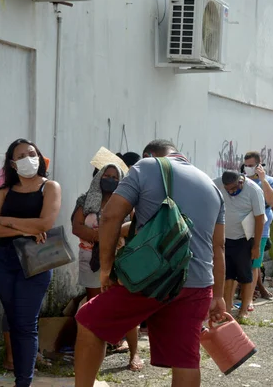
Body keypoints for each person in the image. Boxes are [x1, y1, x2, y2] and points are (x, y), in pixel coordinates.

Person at [74, 140, 226, 387]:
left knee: (89, 321)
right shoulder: (211, 185)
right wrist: (218, 295)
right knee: (186, 359)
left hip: (153, 278)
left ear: (149, 155)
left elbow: (111, 215)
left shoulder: (147, 167)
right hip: (198, 284)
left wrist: (106, 269)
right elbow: (218, 246)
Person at [0, 139, 62, 387]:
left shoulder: (50, 187)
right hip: (4, 260)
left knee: (26, 324)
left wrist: (7, 220)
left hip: (36, 260)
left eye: (32, 153)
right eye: (22, 155)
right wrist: (26, 229)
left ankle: (23, 382)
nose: (29, 158)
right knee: (14, 319)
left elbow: (44, 224)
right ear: (12, 164)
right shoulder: (3, 192)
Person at [71, 164, 142, 370]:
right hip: (90, 261)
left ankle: (134, 354)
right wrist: (105, 235)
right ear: (98, 177)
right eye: (106, 176)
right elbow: (77, 227)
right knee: (95, 305)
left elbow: (135, 228)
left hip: (120, 260)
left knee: (126, 306)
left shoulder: (127, 203)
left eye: (114, 177)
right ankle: (95, 352)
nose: (110, 179)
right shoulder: (85, 201)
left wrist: (109, 235)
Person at [214, 170, 265, 319]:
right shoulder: (216, 184)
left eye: (233, 189)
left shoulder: (253, 191)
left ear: (240, 182)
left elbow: (260, 218)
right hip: (224, 238)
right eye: (227, 189)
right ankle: (227, 308)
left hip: (244, 238)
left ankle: (243, 309)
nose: (230, 192)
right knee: (227, 274)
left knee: (245, 275)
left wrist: (256, 246)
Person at [242, 152, 273, 303]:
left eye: (251, 166)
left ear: (258, 166)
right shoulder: (240, 180)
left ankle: (248, 299)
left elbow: (272, 201)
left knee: (254, 264)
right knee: (240, 264)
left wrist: (263, 180)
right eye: (246, 165)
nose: (248, 168)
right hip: (239, 229)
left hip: (260, 231)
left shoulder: (270, 181)